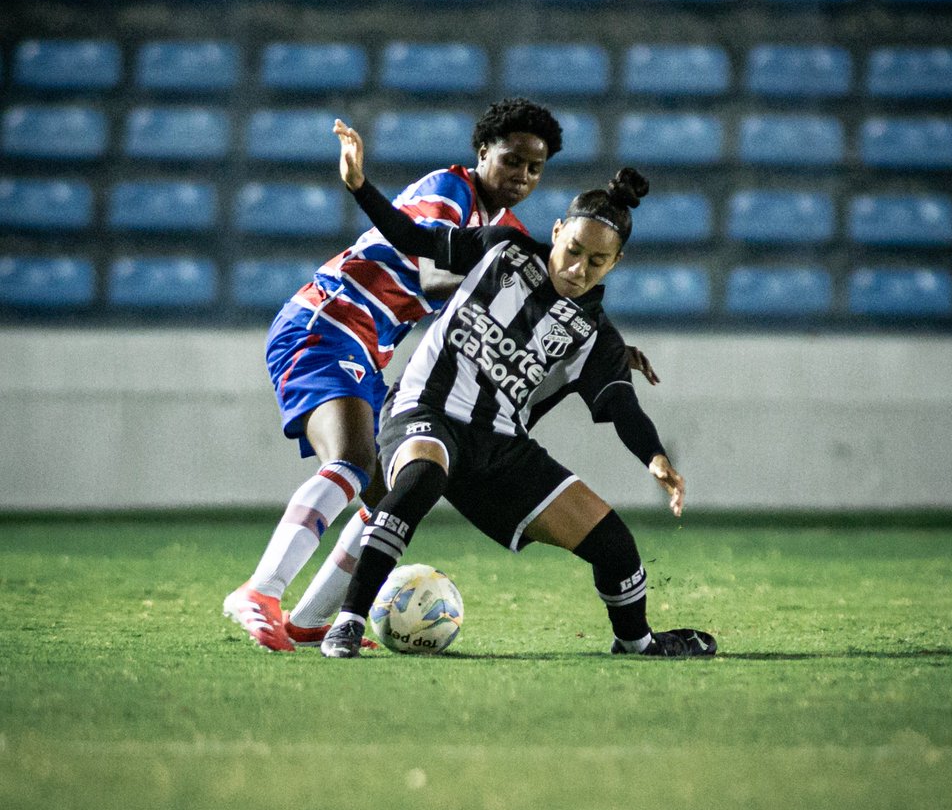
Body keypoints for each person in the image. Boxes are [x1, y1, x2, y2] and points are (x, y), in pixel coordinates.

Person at [320, 120, 717, 660]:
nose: (578, 268)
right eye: (573, 249)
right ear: (556, 231)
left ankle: (638, 642)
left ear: (615, 263)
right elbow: (415, 239)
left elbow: (621, 405)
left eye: (596, 261)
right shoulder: (501, 248)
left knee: (617, 548)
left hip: (500, 445)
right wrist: (359, 185)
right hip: (425, 410)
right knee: (420, 477)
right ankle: (345, 622)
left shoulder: (596, 336)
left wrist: (655, 458)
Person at [223, 97, 564, 651]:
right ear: (482, 153)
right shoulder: (450, 189)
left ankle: (309, 622)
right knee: (354, 460)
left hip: (368, 344)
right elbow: (432, 279)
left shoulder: (504, 226)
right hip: (326, 319)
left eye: (534, 167)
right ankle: (260, 591)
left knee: (386, 500)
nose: (522, 176)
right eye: (511, 160)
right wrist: (505, 293)